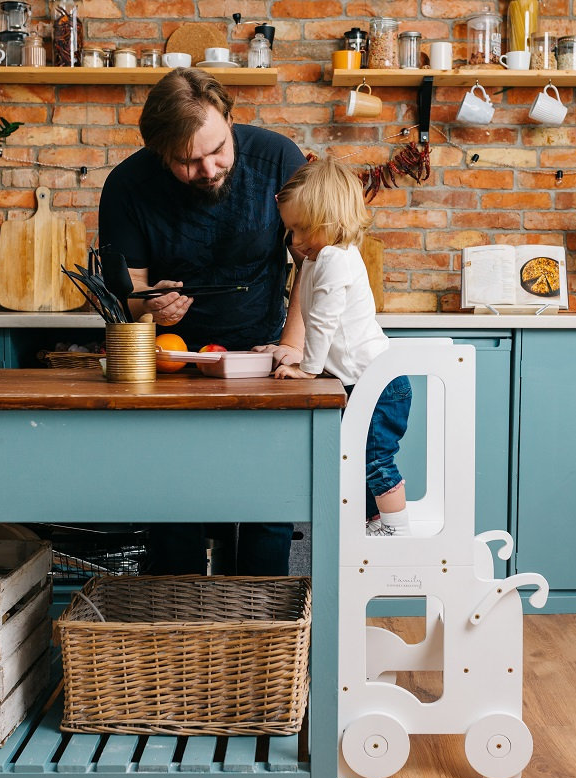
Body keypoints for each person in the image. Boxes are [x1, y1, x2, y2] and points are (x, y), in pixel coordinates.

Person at [96, 67, 307, 575]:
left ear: (229, 120)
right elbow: (128, 297)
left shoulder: (280, 159)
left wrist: (291, 346)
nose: (210, 168)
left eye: (217, 150)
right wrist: (150, 306)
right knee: (173, 510)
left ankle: (259, 634)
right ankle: (181, 634)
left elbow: (314, 261)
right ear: (159, 153)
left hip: (264, 360)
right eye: (188, 162)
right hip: (173, 366)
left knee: (269, 510)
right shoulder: (127, 185)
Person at [269, 158, 413, 537]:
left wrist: (308, 370)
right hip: (362, 380)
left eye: (302, 230)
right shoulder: (320, 259)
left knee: (376, 459)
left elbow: (323, 322)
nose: (294, 241)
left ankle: (395, 530)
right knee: (358, 458)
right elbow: (324, 327)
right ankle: (373, 521)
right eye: (291, 230)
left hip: (378, 384)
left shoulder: (334, 259)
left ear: (330, 222)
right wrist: (302, 356)